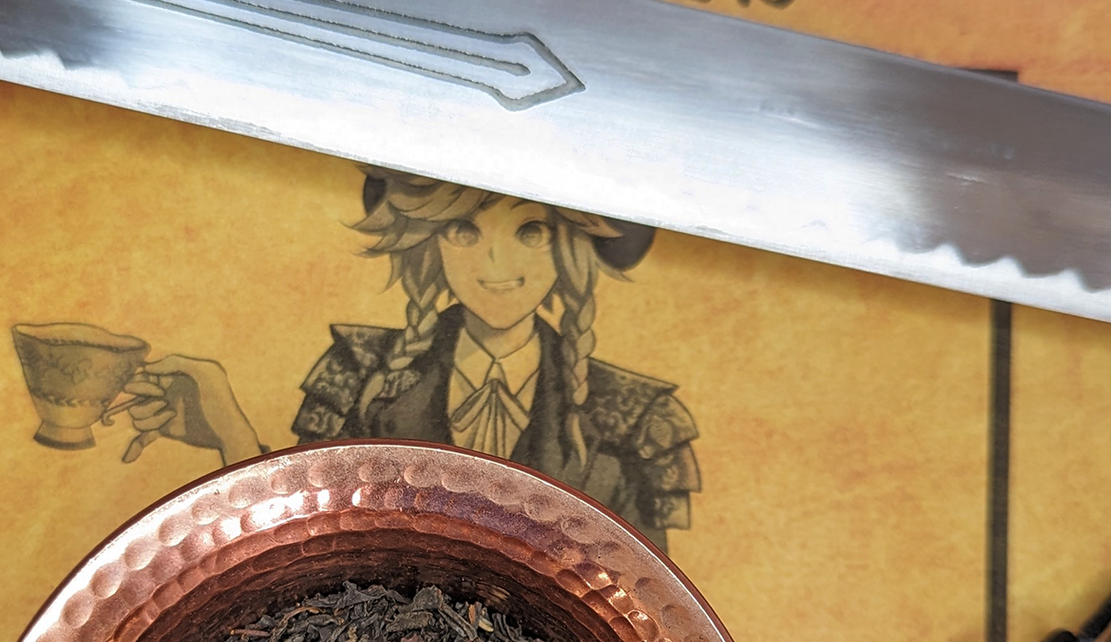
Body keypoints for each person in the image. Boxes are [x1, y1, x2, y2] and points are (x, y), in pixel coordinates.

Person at [119, 170, 700, 549]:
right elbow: (303, 548)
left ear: (573, 249)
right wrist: (232, 433)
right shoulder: (360, 372)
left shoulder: (636, 418)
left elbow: (646, 614)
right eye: (464, 231)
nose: (496, 264)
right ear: (429, 242)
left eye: (530, 231)